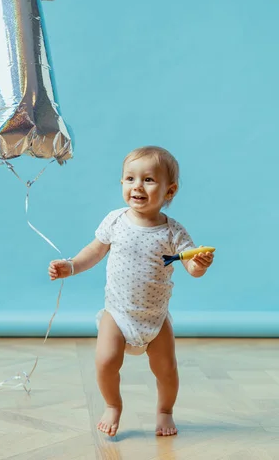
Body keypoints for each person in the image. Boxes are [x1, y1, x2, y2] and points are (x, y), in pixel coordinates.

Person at [48, 146, 214, 437]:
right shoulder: (115, 220)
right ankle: (113, 405)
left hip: (155, 318)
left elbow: (191, 269)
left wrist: (200, 264)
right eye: (130, 179)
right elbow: (95, 250)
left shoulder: (173, 232)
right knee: (105, 361)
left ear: (169, 190)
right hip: (118, 313)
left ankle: (165, 411)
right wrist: (71, 266)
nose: (137, 186)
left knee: (167, 370)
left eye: (149, 180)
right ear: (122, 183)